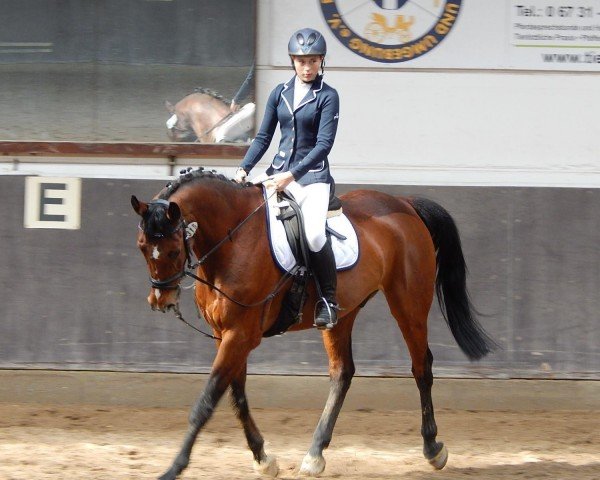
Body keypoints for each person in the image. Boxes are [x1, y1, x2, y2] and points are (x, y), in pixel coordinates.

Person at [234, 27, 340, 330]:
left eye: (312, 61)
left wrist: (292, 175)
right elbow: (264, 136)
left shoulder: (328, 97)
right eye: (301, 61)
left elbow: (323, 145)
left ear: (321, 61)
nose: (306, 68)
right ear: (292, 61)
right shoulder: (279, 93)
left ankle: (328, 301)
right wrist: (244, 167)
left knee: (315, 235)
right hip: (277, 175)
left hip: (313, 179)